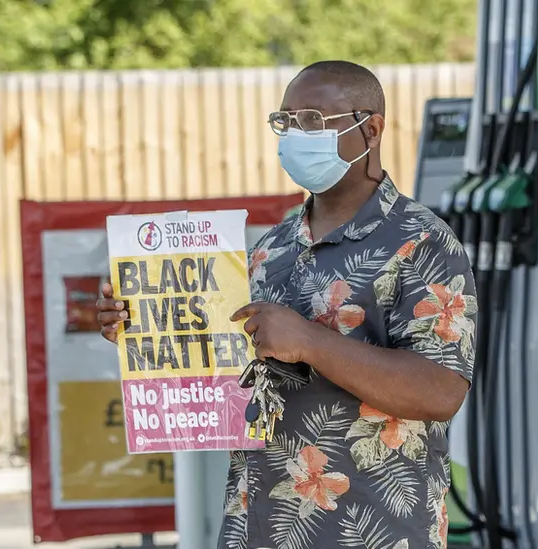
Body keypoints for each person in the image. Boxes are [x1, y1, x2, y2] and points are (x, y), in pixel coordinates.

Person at [97, 61, 476, 549]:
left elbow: (441, 391)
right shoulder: (268, 249)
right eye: (287, 122)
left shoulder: (422, 241)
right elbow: (225, 371)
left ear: (372, 129)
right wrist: (143, 324)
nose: (297, 135)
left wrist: (311, 342)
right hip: (256, 526)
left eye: (314, 121)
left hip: (370, 531)